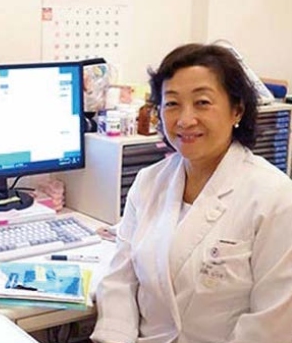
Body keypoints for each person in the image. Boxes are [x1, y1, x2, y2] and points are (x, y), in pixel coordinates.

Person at [91, 43, 292, 343]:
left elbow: (271, 326)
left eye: (202, 102)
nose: (185, 120)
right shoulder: (149, 182)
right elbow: (119, 281)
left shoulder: (275, 198)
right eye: (172, 103)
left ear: (237, 110)